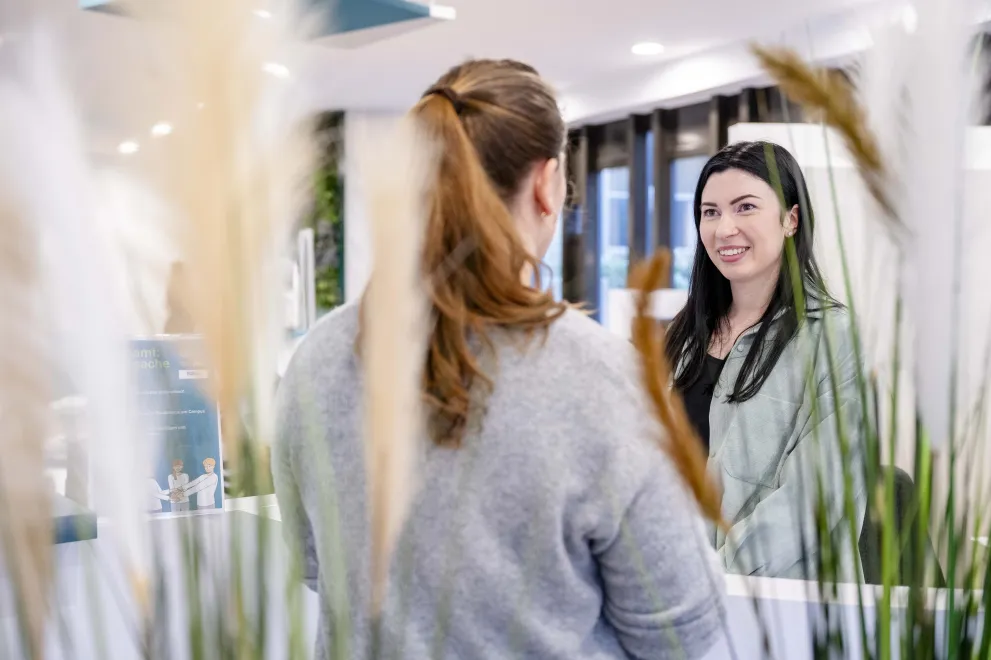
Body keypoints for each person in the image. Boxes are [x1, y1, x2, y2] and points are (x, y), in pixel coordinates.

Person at [274, 59, 725, 660]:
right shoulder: (600, 374)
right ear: (547, 183)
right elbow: (680, 627)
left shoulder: (317, 360)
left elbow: (314, 566)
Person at [665, 141, 866, 581]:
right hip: (672, 586)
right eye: (710, 212)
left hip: (774, 604)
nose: (724, 228)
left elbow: (817, 496)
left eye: (746, 207)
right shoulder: (683, 335)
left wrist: (714, 577)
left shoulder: (831, 336)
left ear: (791, 219)